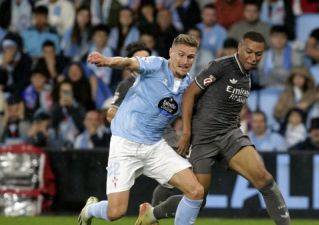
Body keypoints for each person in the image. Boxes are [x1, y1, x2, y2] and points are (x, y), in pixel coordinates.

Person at [149, 32, 291, 225]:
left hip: (229, 135)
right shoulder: (222, 66)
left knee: (265, 180)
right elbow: (190, 94)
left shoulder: (247, 76)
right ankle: (151, 214)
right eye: (249, 51)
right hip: (202, 140)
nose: (253, 58)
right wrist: (187, 133)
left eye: (258, 54)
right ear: (240, 48)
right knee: (197, 199)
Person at [79, 34, 204, 225]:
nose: (185, 61)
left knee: (196, 191)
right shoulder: (156, 65)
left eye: (190, 57)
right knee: (116, 212)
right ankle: (90, 210)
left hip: (154, 146)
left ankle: (152, 214)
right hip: (125, 145)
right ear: (171, 53)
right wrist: (106, 61)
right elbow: (128, 62)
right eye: (181, 55)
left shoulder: (188, 87)